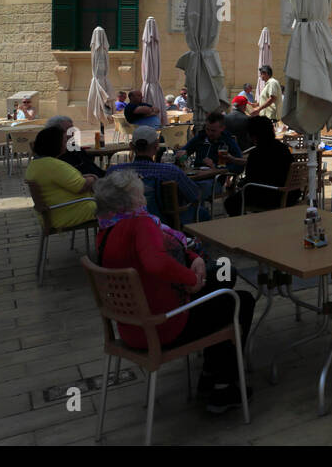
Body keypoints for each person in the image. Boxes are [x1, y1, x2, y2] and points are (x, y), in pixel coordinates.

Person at [93, 168, 255, 414]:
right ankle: (223, 386)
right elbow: (155, 262)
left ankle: (212, 372)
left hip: (131, 327)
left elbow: (163, 250)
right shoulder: (140, 223)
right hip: (162, 326)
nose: (144, 199)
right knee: (239, 301)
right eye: (140, 195)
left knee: (222, 283)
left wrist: (191, 258)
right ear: (129, 202)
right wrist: (191, 279)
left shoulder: (107, 230)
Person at [108, 126, 205, 224]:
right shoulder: (170, 171)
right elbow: (195, 195)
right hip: (162, 225)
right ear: (156, 147)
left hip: (122, 225)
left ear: (131, 146)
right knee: (202, 212)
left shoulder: (114, 171)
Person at [25, 126, 98, 227]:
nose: (66, 144)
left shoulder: (35, 164)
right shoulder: (52, 165)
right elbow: (81, 186)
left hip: (58, 213)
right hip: (71, 212)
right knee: (119, 204)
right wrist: (93, 178)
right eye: (64, 141)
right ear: (55, 144)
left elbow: (67, 181)